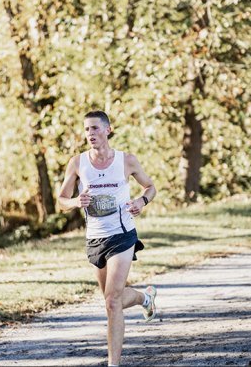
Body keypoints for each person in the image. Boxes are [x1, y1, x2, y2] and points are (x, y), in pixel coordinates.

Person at [58, 110, 157, 367]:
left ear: (107, 130)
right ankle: (145, 298)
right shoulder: (78, 163)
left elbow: (150, 186)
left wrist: (141, 201)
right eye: (87, 130)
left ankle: (113, 364)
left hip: (123, 233)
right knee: (111, 299)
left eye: (94, 128)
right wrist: (75, 201)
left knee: (112, 302)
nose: (90, 134)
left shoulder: (126, 160)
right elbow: (61, 201)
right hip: (95, 238)